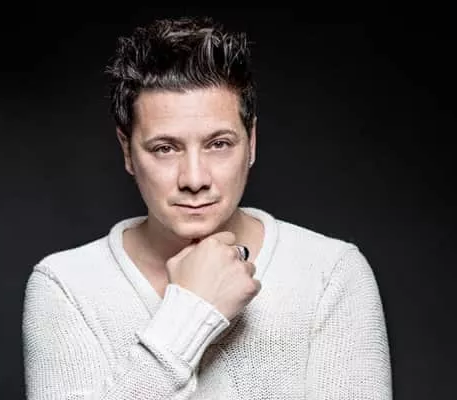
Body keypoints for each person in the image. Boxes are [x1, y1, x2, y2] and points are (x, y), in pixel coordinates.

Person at [22, 16, 392, 399]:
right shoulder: (67, 287)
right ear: (127, 151)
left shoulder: (329, 274)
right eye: (165, 148)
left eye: (219, 144)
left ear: (251, 142)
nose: (195, 179)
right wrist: (191, 313)